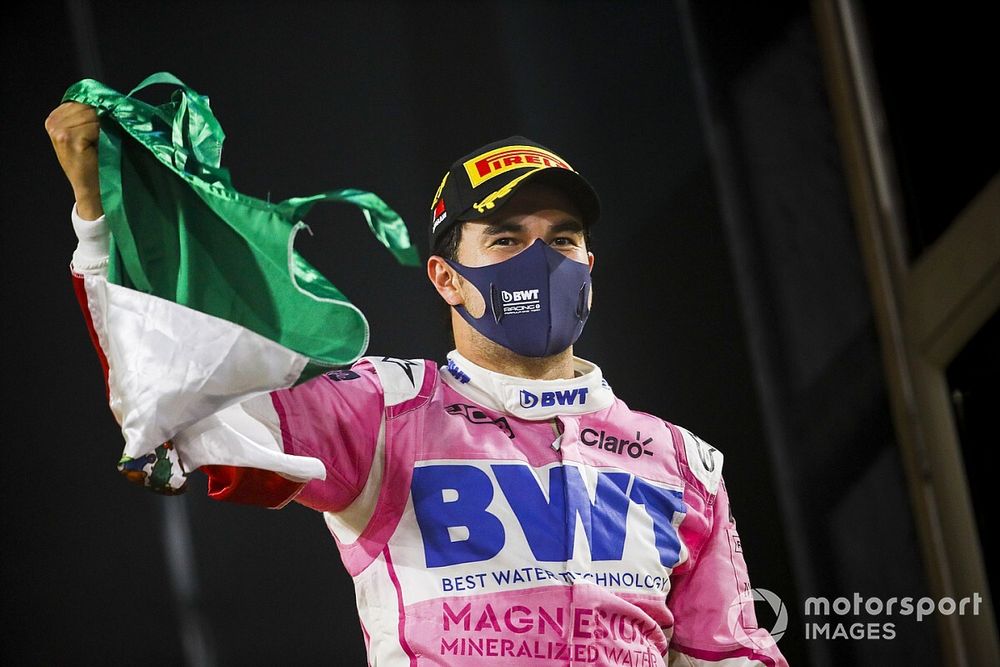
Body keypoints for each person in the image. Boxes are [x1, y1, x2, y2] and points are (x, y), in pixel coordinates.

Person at [46, 100, 789, 666]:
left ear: (589, 268)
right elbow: (175, 404)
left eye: (562, 239)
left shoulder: (682, 463)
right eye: (506, 239)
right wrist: (100, 219)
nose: (540, 261)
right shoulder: (382, 413)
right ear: (446, 277)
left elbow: (732, 656)